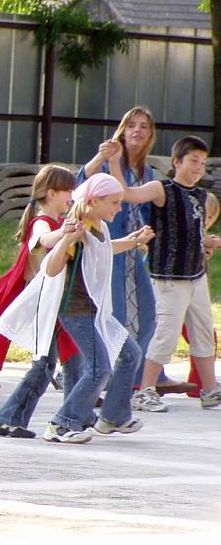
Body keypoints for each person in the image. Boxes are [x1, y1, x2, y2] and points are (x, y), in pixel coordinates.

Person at [0, 174, 154, 444]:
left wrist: (132, 241)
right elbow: (51, 268)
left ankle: (113, 416)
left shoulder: (97, 225)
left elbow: (102, 249)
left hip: (95, 311)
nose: (119, 208)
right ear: (93, 201)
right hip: (76, 310)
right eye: (114, 202)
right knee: (97, 369)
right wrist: (67, 239)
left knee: (130, 355)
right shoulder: (77, 226)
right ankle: (62, 423)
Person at [0, 165, 79, 436]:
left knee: (50, 365)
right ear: (52, 193)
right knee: (46, 365)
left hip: (52, 303)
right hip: (43, 304)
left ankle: (14, 418)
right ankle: (16, 418)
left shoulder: (56, 222)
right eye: (68, 190)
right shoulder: (42, 222)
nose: (72, 196)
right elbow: (43, 239)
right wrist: (66, 233)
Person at [79, 106, 193, 396]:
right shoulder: (107, 162)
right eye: (132, 125)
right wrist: (103, 157)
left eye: (144, 126)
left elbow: (150, 211)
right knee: (113, 313)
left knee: (148, 313)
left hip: (134, 252)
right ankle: (97, 379)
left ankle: (144, 376)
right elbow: (81, 181)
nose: (137, 130)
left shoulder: (148, 171)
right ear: (122, 129)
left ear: (151, 134)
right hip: (108, 248)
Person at [115, 136, 221, 411]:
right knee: (166, 334)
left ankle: (210, 390)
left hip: (196, 276)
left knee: (203, 333)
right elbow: (127, 193)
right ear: (177, 162)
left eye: (203, 163)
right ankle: (144, 391)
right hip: (169, 278)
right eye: (193, 161)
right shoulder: (162, 189)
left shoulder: (200, 196)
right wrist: (114, 161)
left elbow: (192, 233)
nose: (199, 167)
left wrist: (206, 243)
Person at [186, 192, 220, 397]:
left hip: (195, 296)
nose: (205, 221)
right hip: (178, 295)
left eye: (210, 217)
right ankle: (198, 384)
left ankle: (197, 383)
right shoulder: (189, 235)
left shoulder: (205, 240)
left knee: (205, 337)